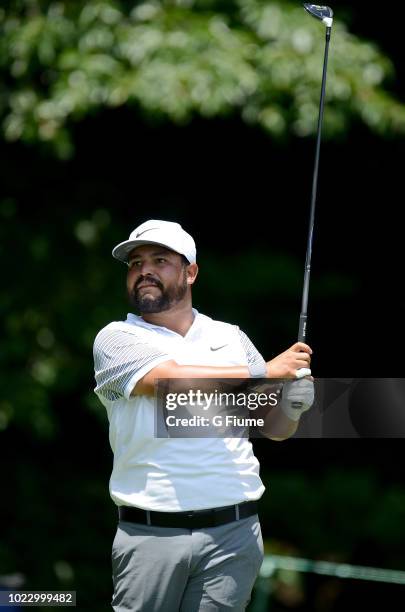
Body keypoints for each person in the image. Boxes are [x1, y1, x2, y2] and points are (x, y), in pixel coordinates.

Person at [93, 219, 314, 612]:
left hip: (234, 534)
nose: (144, 270)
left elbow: (271, 428)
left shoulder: (231, 338)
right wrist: (266, 371)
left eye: (160, 260)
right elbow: (168, 382)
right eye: (135, 263)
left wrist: (291, 406)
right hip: (151, 534)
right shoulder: (116, 338)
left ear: (190, 272)